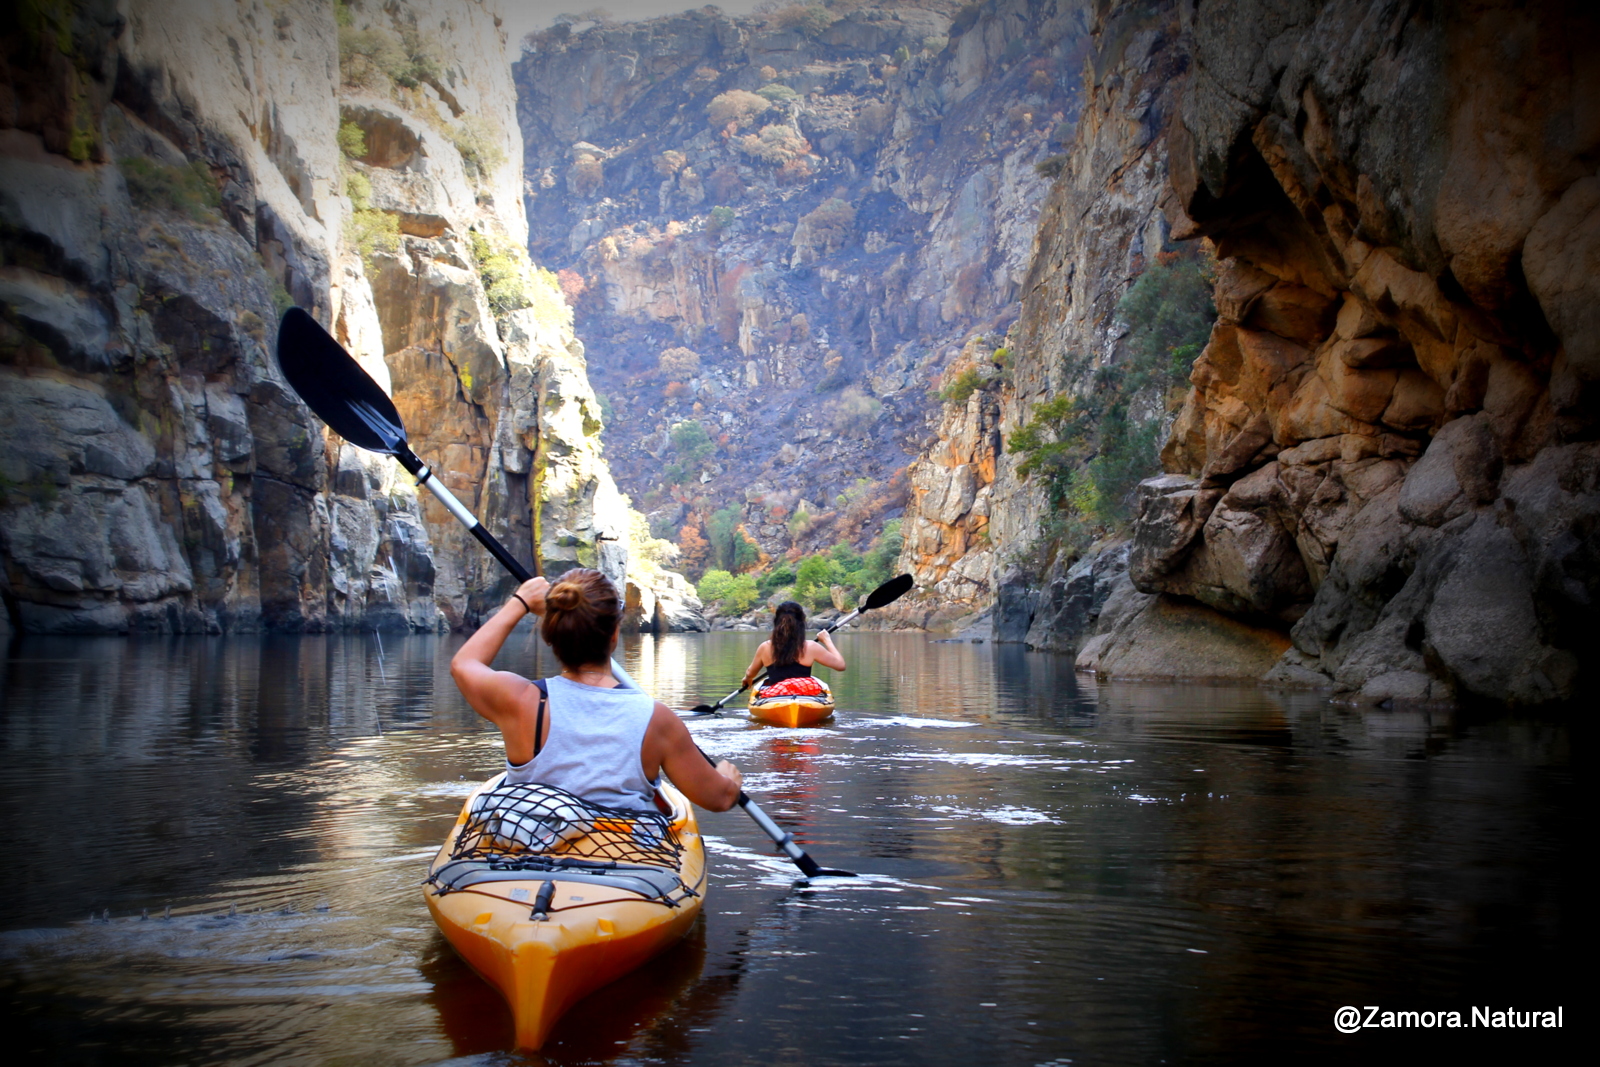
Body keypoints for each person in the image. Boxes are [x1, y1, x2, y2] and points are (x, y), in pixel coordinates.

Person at [451, 569, 742, 815]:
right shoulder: (656, 719)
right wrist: (727, 780)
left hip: (531, 855)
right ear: (614, 635)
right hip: (621, 864)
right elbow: (718, 798)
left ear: (549, 635)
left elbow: (464, 664)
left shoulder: (519, 700)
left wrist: (519, 602)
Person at [741, 600, 846, 699]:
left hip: (776, 697)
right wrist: (827, 640)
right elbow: (840, 666)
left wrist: (747, 678)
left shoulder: (765, 647)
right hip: (804, 697)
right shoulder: (811, 646)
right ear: (802, 622)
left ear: (776, 621)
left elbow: (751, 673)